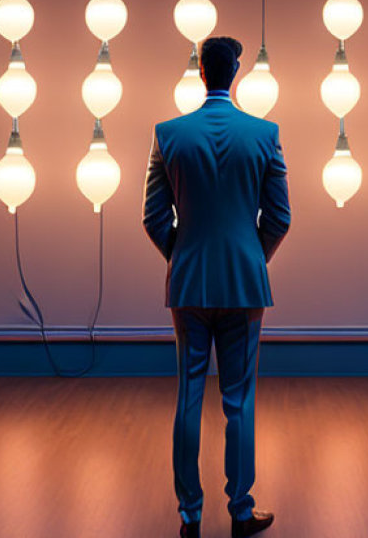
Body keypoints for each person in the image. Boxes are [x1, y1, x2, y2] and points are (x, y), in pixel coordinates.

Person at [142, 36, 291, 538]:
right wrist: (253, 256)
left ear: (201, 72)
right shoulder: (265, 134)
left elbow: (153, 216)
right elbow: (280, 217)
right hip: (245, 285)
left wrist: (182, 254)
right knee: (239, 400)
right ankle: (241, 510)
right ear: (236, 72)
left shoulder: (168, 134)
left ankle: (190, 516)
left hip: (188, 283)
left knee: (187, 394)